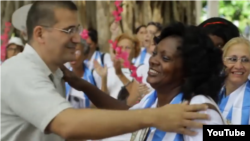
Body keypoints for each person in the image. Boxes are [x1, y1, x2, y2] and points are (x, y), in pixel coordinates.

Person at [0, 1, 209, 141]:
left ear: (190, 66)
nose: (77, 38)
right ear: (39, 34)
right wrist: (156, 116)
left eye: (165, 58)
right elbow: (70, 124)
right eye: (69, 30)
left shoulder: (199, 107)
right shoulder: (21, 72)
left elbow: (226, 133)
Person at [100, 22, 226, 141]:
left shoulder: (200, 110)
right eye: (154, 53)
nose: (153, 60)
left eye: (165, 58)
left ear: (189, 69)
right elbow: (126, 116)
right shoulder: (152, 99)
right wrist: (85, 86)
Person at [219, 37, 250, 124]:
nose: (238, 66)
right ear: (222, 61)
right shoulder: (210, 91)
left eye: (245, 60)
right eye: (233, 59)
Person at [66, 38, 101, 108]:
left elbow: (102, 101)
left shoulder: (93, 75)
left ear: (85, 56)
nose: (73, 55)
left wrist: (104, 78)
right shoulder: (64, 76)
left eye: (77, 52)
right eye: (71, 51)